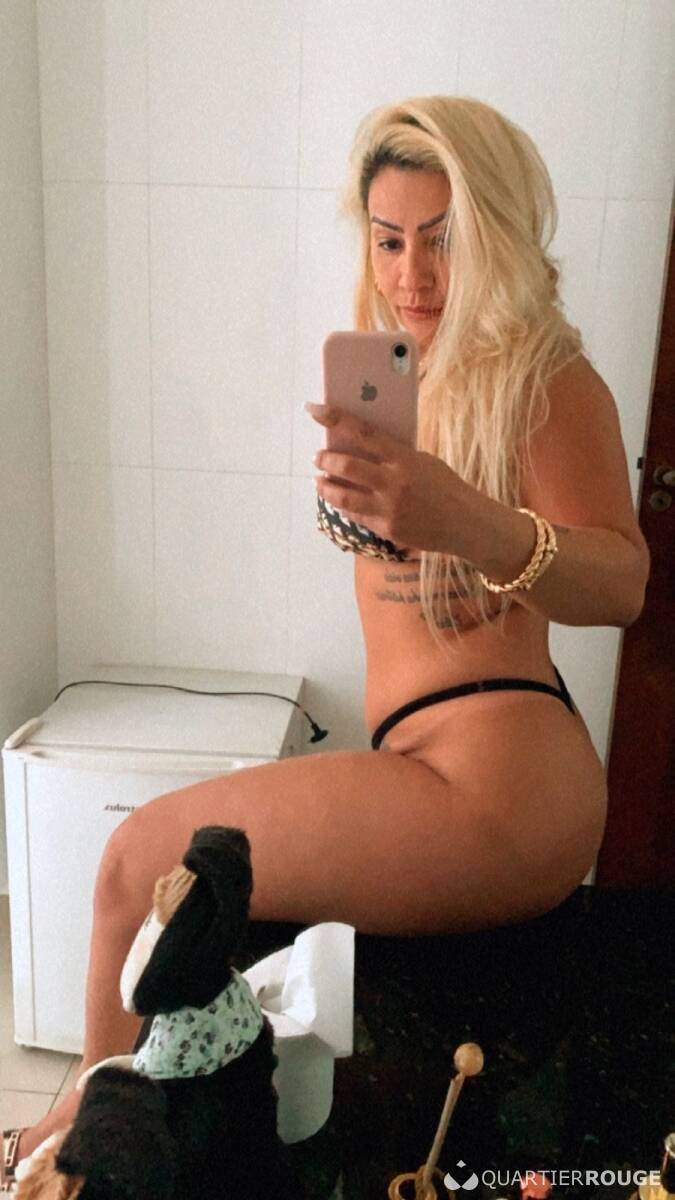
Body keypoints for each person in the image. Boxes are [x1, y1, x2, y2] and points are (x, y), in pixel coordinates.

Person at [2, 94, 650, 1183]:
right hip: (436, 762)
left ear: (495, 234)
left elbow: (623, 582)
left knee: (135, 864)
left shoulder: (544, 378)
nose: (411, 274)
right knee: (184, 900)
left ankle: (73, 1147)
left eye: (443, 240)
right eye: (389, 240)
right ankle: (96, 1131)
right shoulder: (411, 374)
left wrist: (463, 519)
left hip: (496, 778)